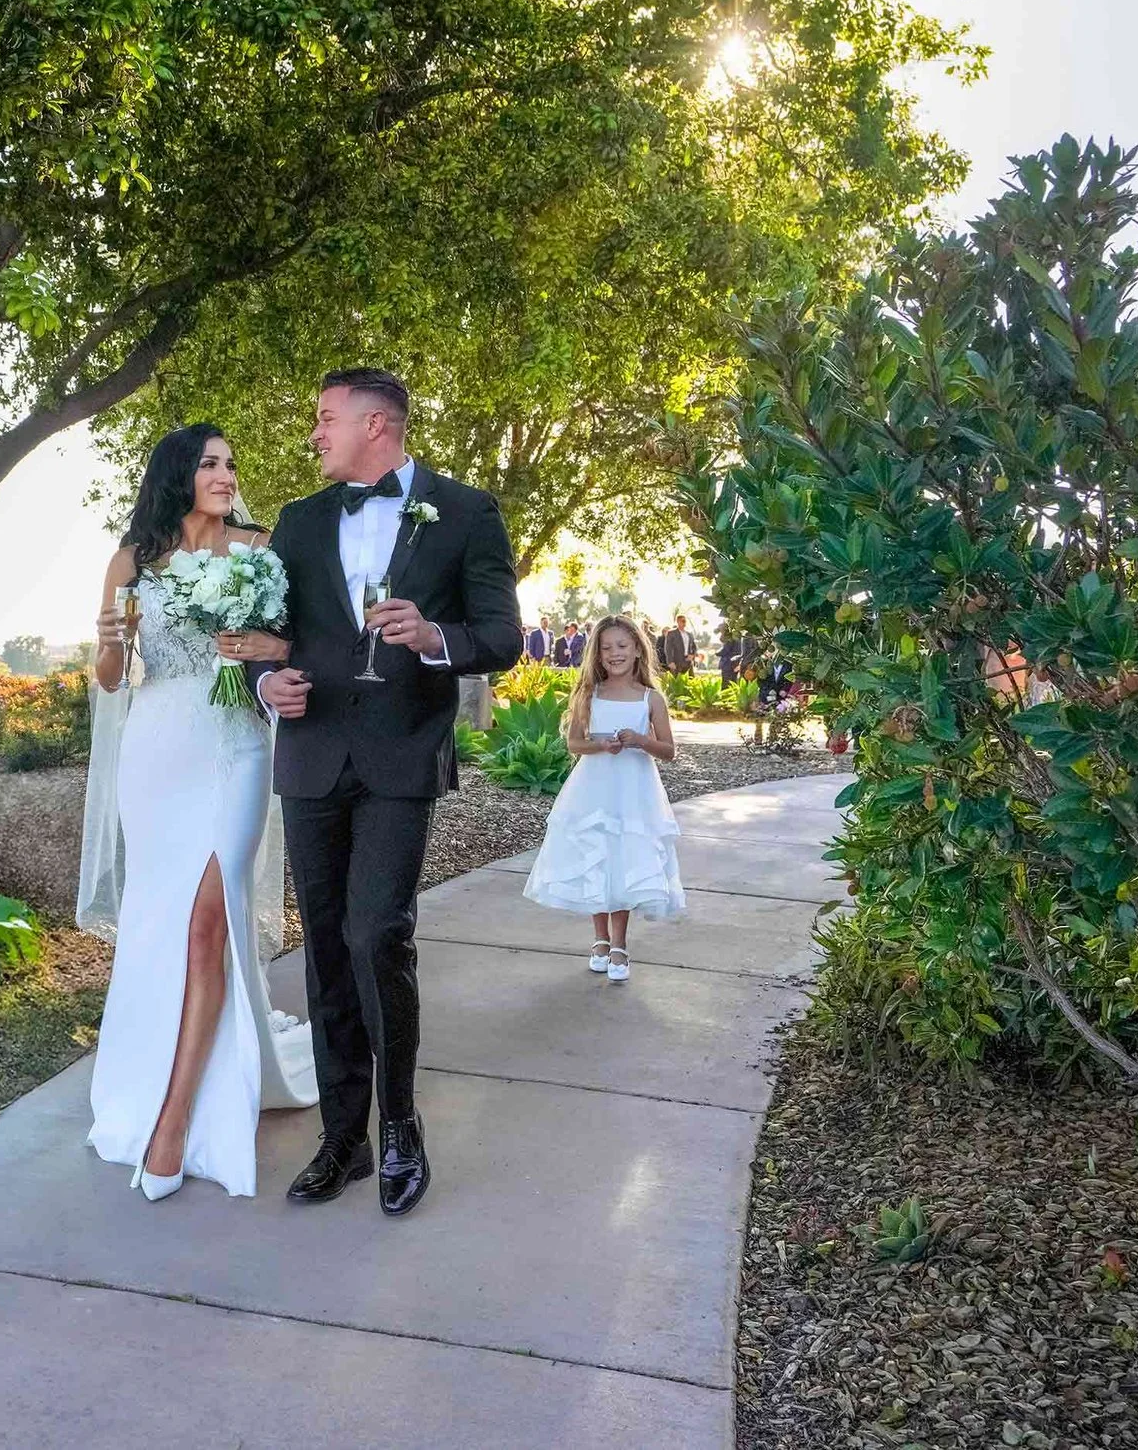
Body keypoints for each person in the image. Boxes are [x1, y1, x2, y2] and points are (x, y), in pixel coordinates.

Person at [251, 368, 522, 1217]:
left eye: (325, 418)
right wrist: (268, 684)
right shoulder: (296, 521)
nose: (315, 434)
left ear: (378, 424)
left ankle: (400, 1124)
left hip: (402, 756)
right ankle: (343, 1141)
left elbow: (504, 636)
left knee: (377, 935)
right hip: (311, 756)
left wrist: (436, 636)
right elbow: (271, 635)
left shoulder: (468, 512)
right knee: (326, 947)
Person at [79, 423, 318, 1202]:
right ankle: (146, 1075)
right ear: (178, 474)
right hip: (157, 749)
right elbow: (113, 679)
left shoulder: (260, 547)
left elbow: (292, 644)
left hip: (235, 747)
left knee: (209, 922)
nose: (226, 473)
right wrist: (111, 640)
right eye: (211, 463)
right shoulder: (131, 560)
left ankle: (175, 1124)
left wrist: (257, 647)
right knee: (160, 920)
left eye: (230, 461)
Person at [520, 616, 685, 980]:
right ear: (596, 654)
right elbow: (574, 742)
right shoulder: (588, 695)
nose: (615, 654)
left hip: (634, 790)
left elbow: (669, 750)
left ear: (638, 651)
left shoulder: (650, 699)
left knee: (623, 856)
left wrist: (640, 740)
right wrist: (600, 745)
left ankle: (620, 944)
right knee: (598, 854)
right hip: (594, 784)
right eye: (607, 648)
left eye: (622, 647)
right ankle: (599, 939)